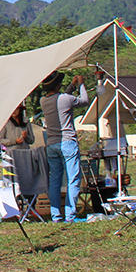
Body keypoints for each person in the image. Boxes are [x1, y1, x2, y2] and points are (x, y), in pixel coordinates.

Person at [39, 70, 90, 223]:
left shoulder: (43, 100)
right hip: (67, 142)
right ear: (58, 84)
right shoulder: (65, 99)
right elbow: (84, 101)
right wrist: (81, 85)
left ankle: (56, 215)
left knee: (55, 181)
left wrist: (71, 86)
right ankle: (70, 215)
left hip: (52, 144)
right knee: (73, 179)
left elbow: (61, 99)